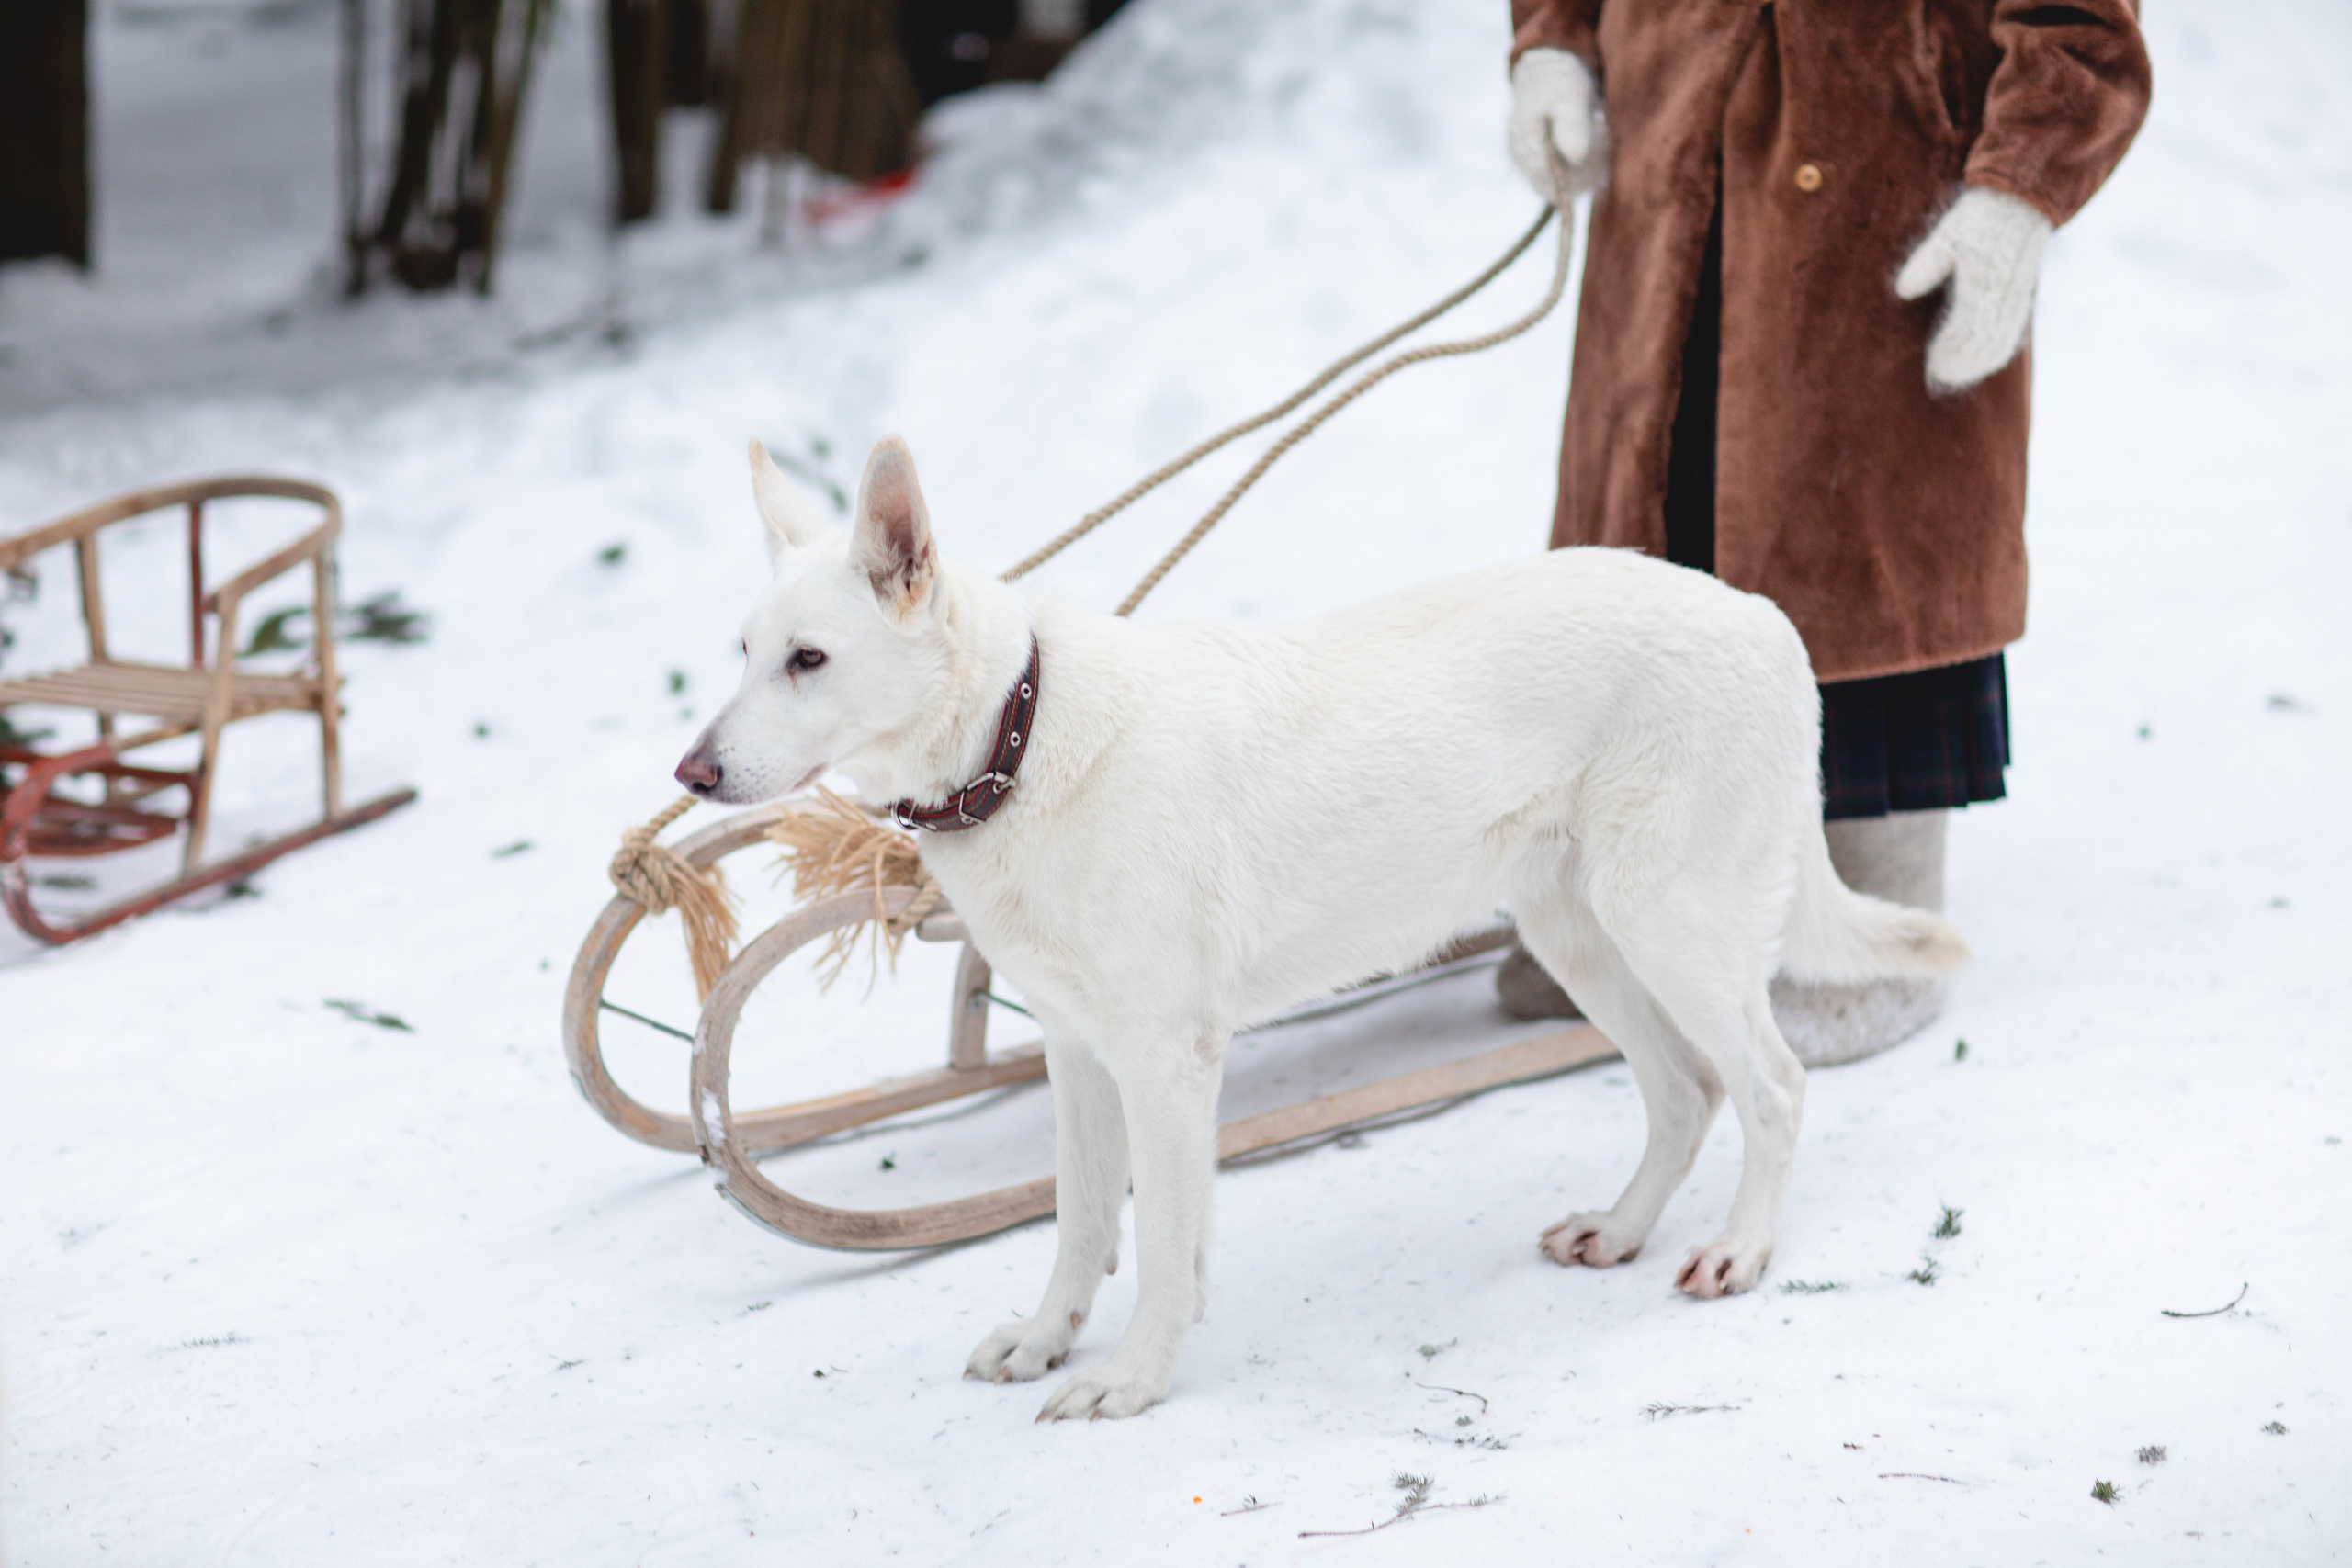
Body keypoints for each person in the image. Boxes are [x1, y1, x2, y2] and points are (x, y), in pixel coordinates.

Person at [1494, 2, 2151, 1065]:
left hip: (1883, 197)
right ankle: (1634, 894)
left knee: (1854, 545)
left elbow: (2080, 24)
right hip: (1666, 152)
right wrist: (1556, 44)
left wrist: (2017, 192)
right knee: (1658, 516)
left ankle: (1870, 912)